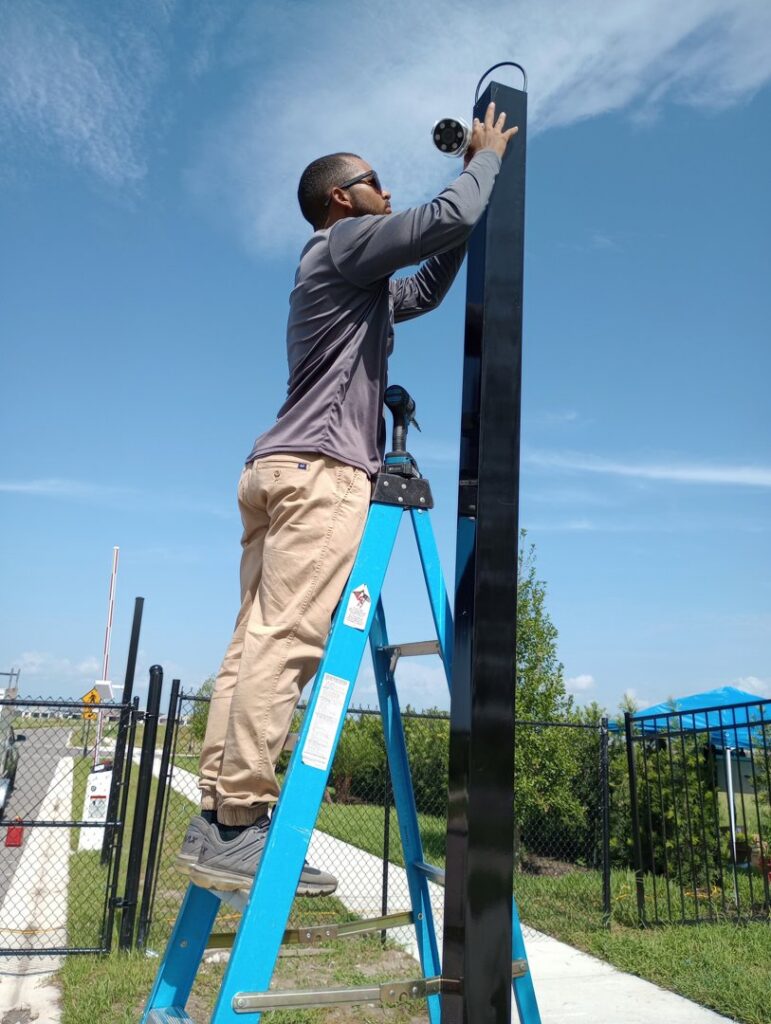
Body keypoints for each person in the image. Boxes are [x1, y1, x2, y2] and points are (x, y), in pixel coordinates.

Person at [177, 102, 518, 894]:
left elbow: (428, 280)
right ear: (341, 197)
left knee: (253, 642)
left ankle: (217, 818)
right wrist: (485, 159)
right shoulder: (341, 243)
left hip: (277, 470)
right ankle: (239, 829)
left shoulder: (351, 281)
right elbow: (445, 213)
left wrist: (463, 210)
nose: (385, 190)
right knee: (288, 639)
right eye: (374, 182)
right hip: (321, 473)